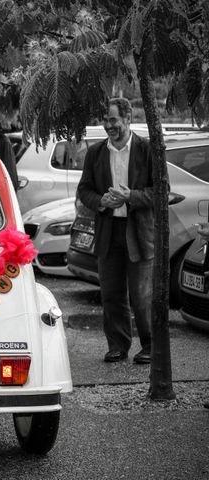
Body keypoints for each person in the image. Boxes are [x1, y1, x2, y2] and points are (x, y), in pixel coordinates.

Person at [76, 97, 154, 364]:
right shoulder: (96, 153)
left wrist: (131, 196)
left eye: (113, 120)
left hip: (140, 234)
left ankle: (150, 346)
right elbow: (84, 191)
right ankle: (118, 345)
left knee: (142, 295)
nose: (109, 126)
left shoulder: (147, 150)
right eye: (105, 120)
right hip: (108, 231)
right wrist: (101, 202)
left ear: (128, 118)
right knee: (111, 294)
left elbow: (160, 193)